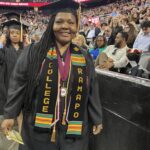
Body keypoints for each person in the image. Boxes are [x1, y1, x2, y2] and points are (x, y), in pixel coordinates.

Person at [1, 0, 103, 150]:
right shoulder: (34, 52)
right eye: (60, 21)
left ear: (76, 27)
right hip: (38, 130)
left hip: (73, 131)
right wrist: (10, 114)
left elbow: (91, 88)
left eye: (71, 23)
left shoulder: (83, 55)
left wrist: (97, 117)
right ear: (52, 25)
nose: (65, 26)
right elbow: (18, 83)